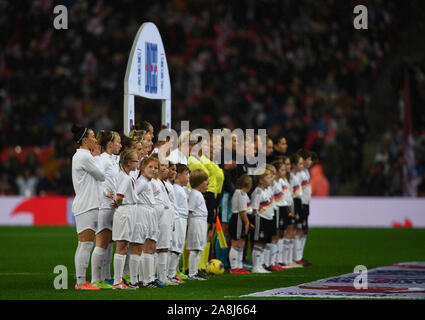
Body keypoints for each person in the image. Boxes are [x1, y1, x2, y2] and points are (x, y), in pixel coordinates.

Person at [71, 125, 105, 290]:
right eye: (92, 137)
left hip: (86, 203)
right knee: (86, 244)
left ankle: (81, 281)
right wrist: (97, 156)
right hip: (87, 204)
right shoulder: (85, 157)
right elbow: (101, 175)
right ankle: (81, 282)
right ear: (84, 140)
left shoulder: (81, 156)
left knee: (84, 245)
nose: (95, 140)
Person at [91, 130, 121, 288]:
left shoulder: (112, 160)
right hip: (104, 205)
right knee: (101, 242)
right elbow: (97, 179)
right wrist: (105, 193)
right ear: (110, 144)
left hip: (112, 204)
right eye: (118, 141)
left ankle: (104, 276)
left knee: (109, 242)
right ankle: (96, 280)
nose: (120, 145)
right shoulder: (102, 159)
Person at [110, 149, 139, 290]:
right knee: (122, 246)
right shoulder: (125, 177)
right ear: (128, 163)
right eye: (135, 161)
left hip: (128, 210)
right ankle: (117, 281)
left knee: (124, 246)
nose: (137, 163)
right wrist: (117, 203)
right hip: (126, 211)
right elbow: (120, 195)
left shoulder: (126, 175)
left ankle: (118, 280)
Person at [135, 155, 164, 288]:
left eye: (156, 168)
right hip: (143, 214)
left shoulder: (148, 182)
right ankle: (145, 279)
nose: (153, 170)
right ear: (142, 168)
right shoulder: (141, 182)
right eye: (150, 167)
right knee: (145, 246)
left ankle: (149, 278)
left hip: (150, 213)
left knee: (151, 245)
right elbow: (132, 195)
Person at [250, 167, 274, 273]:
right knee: (259, 242)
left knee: (264, 243)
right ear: (261, 180)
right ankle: (256, 266)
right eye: (268, 177)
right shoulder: (258, 192)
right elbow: (254, 209)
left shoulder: (266, 191)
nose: (271, 179)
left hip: (268, 219)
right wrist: (254, 221)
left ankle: (261, 265)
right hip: (261, 219)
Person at [186, 169, 209, 280]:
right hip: (196, 222)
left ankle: (195, 271)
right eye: (205, 180)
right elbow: (190, 210)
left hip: (201, 222)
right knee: (195, 248)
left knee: (198, 248)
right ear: (199, 182)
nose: (208, 182)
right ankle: (192, 273)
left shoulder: (198, 194)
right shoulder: (195, 194)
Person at [228, 174, 254, 274]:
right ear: (248, 185)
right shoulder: (241, 193)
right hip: (238, 219)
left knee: (241, 243)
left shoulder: (240, 193)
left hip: (240, 219)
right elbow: (242, 211)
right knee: (236, 242)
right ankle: (234, 267)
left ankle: (239, 266)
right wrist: (247, 223)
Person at [168, 163, 190, 282]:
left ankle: (172, 273)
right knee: (174, 247)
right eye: (186, 174)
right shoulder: (175, 189)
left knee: (179, 247)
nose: (188, 177)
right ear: (179, 175)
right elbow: (174, 206)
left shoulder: (180, 189)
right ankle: (169, 274)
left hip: (183, 219)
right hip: (178, 219)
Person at [290, 153, 305, 268]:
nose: (302, 165)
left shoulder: (296, 176)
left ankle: (294, 258)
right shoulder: (291, 177)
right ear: (294, 165)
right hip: (293, 202)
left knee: (296, 230)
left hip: (298, 202)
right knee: (292, 229)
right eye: (300, 163)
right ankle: (291, 258)